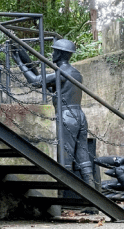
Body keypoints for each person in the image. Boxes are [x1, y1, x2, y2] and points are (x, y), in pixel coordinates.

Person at [12, 39, 94, 185]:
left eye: (55, 51)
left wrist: (19, 62)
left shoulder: (62, 72)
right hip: (79, 115)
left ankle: (62, 200)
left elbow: (35, 81)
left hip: (66, 116)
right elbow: (47, 84)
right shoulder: (75, 73)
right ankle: (94, 200)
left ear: (61, 54)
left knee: (65, 158)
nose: (53, 53)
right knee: (83, 155)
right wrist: (27, 60)